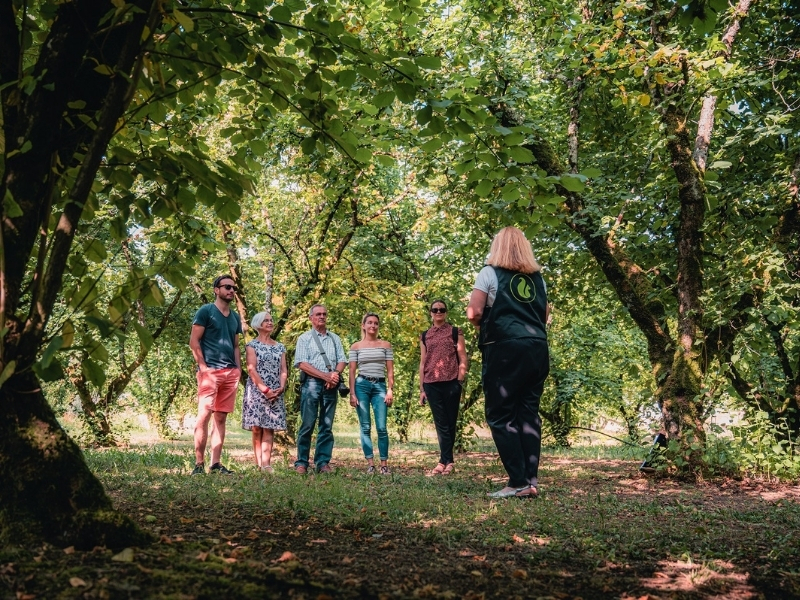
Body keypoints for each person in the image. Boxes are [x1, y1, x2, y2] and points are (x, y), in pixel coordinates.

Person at [467, 226, 550, 499]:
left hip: (504, 348)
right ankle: (530, 481)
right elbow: (544, 315)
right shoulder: (538, 279)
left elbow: (473, 313)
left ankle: (517, 482)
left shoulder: (489, 273)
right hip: (537, 348)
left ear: (498, 246)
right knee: (528, 413)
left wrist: (488, 325)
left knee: (501, 415)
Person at [189, 275, 243, 475]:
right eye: (227, 287)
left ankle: (216, 464)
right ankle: (198, 464)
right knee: (204, 415)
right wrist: (203, 368)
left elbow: (236, 345)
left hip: (230, 373)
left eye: (233, 288)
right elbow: (194, 341)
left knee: (220, 418)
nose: (231, 290)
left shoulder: (235, 317)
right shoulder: (206, 311)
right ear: (216, 290)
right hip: (210, 372)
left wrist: (237, 369)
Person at [294, 304, 347, 474]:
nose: (322, 317)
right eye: (318, 314)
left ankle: (323, 462)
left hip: (331, 384)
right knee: (307, 424)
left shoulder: (334, 338)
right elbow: (302, 363)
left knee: (326, 425)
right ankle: (302, 463)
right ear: (311, 318)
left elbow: (342, 360)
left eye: (324, 314)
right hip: (311, 384)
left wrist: (334, 375)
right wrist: (325, 376)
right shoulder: (304, 338)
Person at [419, 300, 468, 475]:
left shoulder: (455, 332)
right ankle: (446, 461)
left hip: (451, 382)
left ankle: (445, 461)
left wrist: (459, 380)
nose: (438, 312)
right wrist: (422, 389)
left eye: (442, 309)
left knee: (450, 422)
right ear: (430, 313)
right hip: (431, 384)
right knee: (441, 423)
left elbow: (463, 357)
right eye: (435, 309)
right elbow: (423, 362)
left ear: (446, 312)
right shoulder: (425, 335)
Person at [348, 313, 395, 474]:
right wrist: (352, 393)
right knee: (365, 426)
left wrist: (390, 390)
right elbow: (352, 371)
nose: (373, 325)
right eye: (369, 322)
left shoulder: (385, 345)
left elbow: (390, 370)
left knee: (381, 427)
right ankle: (370, 464)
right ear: (363, 325)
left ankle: (384, 465)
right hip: (361, 386)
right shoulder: (356, 347)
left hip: (380, 386)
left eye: (375, 323)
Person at [242, 311, 288, 472]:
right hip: (257, 390)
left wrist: (281, 386)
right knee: (257, 427)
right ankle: (258, 464)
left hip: (276, 390)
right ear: (258, 324)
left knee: (269, 426)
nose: (270, 322)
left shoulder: (280, 347)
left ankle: (267, 464)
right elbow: (251, 369)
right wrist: (265, 390)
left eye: (271, 320)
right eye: (266, 320)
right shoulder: (252, 345)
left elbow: (283, 370)